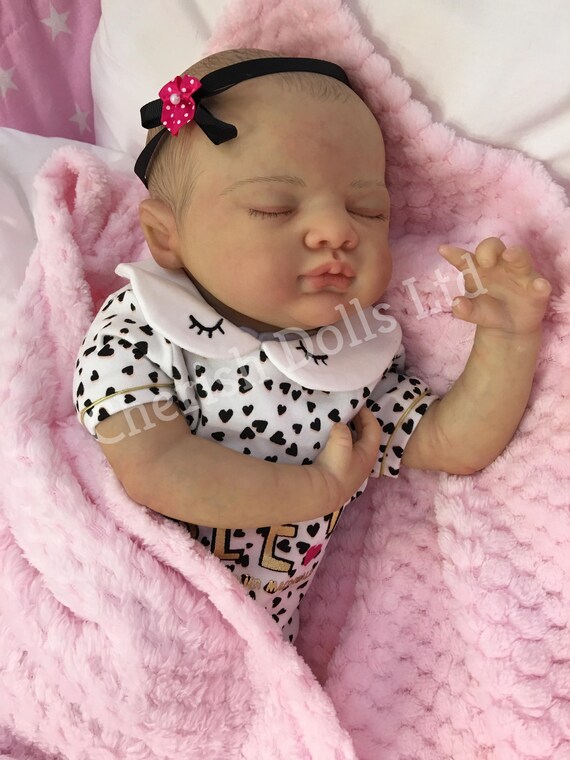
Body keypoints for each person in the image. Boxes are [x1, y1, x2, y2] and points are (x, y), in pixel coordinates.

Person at [73, 49, 551, 642]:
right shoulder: (143, 327)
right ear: (165, 236)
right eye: (275, 208)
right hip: (118, 598)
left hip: (252, 644)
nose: (337, 231)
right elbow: (153, 466)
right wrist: (315, 491)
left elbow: (451, 442)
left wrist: (508, 336)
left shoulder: (351, 359)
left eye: (367, 210)